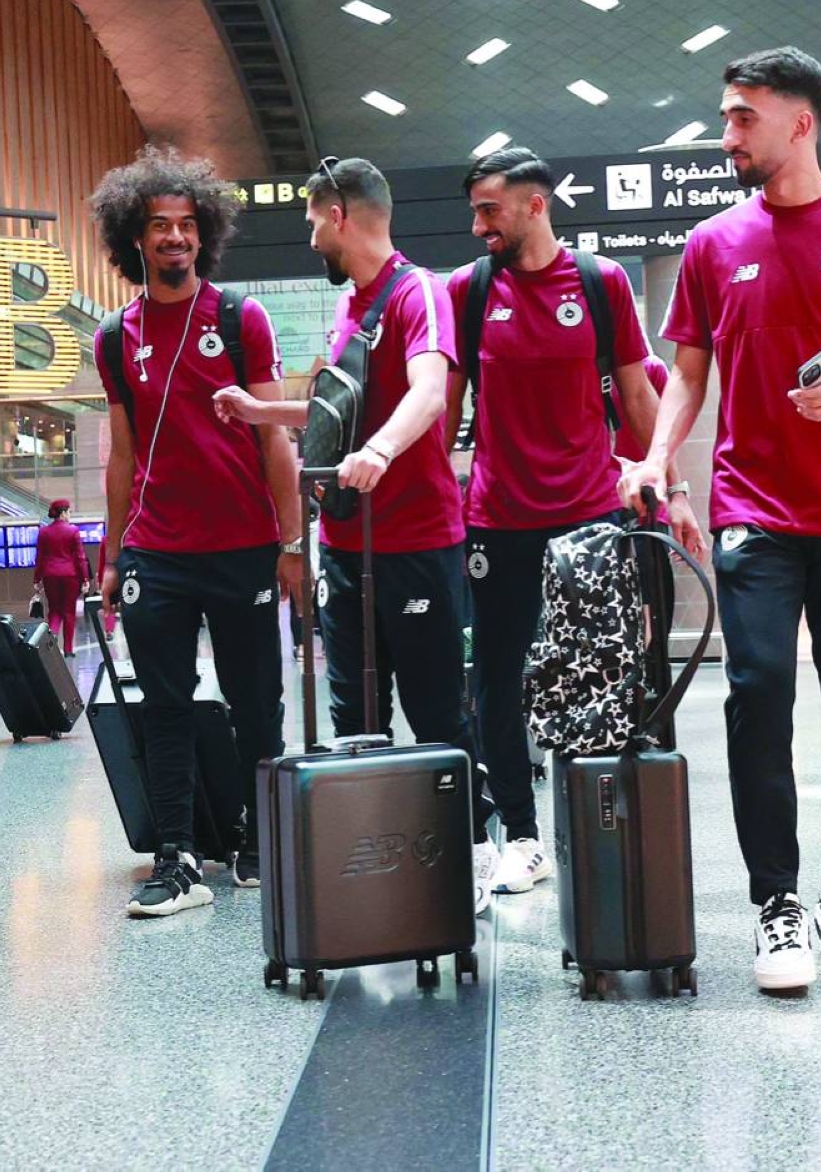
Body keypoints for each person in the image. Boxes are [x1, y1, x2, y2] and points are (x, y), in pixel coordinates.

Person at [621, 47, 821, 992]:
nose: (727, 135)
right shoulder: (714, 246)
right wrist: (654, 460)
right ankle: (776, 905)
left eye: (741, 117)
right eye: (726, 117)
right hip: (753, 511)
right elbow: (685, 376)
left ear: (800, 122)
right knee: (758, 695)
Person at [213, 156, 498, 912]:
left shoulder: (418, 294)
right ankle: (373, 865)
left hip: (416, 546)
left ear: (339, 213)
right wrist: (260, 412)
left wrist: (377, 453)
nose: (310, 238)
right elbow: (341, 415)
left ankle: (464, 854)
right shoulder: (352, 309)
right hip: (347, 548)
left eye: (312, 221)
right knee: (355, 719)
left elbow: (431, 392)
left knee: (439, 714)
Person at [447, 146, 704, 895]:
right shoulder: (468, 290)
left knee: (595, 678)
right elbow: (449, 400)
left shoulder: (600, 282)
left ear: (534, 204)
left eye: (489, 209)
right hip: (498, 517)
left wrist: (674, 486)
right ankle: (522, 836)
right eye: (474, 211)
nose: (477, 225)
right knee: (497, 678)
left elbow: (636, 393)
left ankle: (591, 825)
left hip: (590, 518)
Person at [91, 145, 301, 919]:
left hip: (244, 545)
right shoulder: (116, 336)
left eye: (186, 225)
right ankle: (174, 857)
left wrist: (291, 542)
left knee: (258, 702)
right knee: (165, 707)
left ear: (202, 235)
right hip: (158, 552)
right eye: (159, 226)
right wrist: (112, 555)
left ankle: (260, 838)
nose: (174, 238)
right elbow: (121, 454)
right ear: (134, 239)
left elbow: (275, 439)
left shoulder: (241, 319)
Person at [32, 500, 89, 656]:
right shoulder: (73, 531)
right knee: (69, 612)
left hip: (50, 576)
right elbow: (80, 557)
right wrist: (85, 579)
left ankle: (53, 638)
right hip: (70, 576)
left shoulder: (44, 532)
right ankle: (69, 650)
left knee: (55, 611)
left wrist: (36, 580)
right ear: (63, 513)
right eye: (69, 512)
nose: (70, 515)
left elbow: (40, 558)